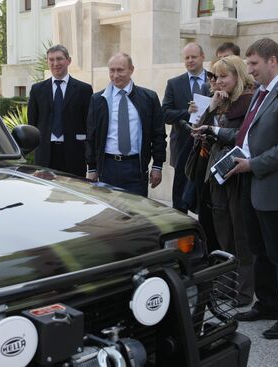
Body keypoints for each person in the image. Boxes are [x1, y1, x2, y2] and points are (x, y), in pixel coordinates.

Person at [228, 38, 278, 340]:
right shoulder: (261, 92)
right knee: (259, 249)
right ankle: (267, 303)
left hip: (272, 184)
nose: (249, 71)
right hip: (252, 181)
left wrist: (254, 165)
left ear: (272, 61)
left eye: (253, 65)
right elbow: (247, 135)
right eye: (248, 65)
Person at [191, 55, 256, 306]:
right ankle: (226, 284)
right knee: (223, 235)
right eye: (215, 77)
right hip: (215, 175)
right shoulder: (220, 102)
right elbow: (196, 130)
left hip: (238, 175)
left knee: (241, 236)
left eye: (223, 77)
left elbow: (244, 137)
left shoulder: (249, 102)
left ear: (238, 77)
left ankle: (244, 291)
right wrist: (210, 109)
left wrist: (214, 130)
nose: (217, 82)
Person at [85, 53, 166, 197]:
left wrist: (157, 165)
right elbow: (91, 136)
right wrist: (92, 168)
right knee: (109, 215)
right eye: (112, 70)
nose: (115, 75)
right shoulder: (98, 100)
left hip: (136, 168)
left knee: (136, 215)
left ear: (131, 70)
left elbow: (158, 134)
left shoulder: (149, 98)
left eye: (120, 70)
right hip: (108, 167)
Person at [27, 44, 93, 177]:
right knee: (46, 195)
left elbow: (90, 125)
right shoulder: (37, 90)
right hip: (45, 154)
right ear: (47, 62)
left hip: (74, 153)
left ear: (68, 61)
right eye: (51, 60)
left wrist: (90, 158)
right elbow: (32, 123)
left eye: (59, 59)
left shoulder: (84, 90)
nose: (55, 63)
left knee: (73, 194)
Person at [162, 43, 209, 212]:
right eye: (186, 58)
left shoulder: (215, 79)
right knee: (180, 192)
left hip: (207, 145)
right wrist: (186, 112)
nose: (190, 61)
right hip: (182, 144)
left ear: (203, 57)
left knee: (204, 192)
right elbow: (165, 114)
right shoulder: (174, 83)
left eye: (193, 57)